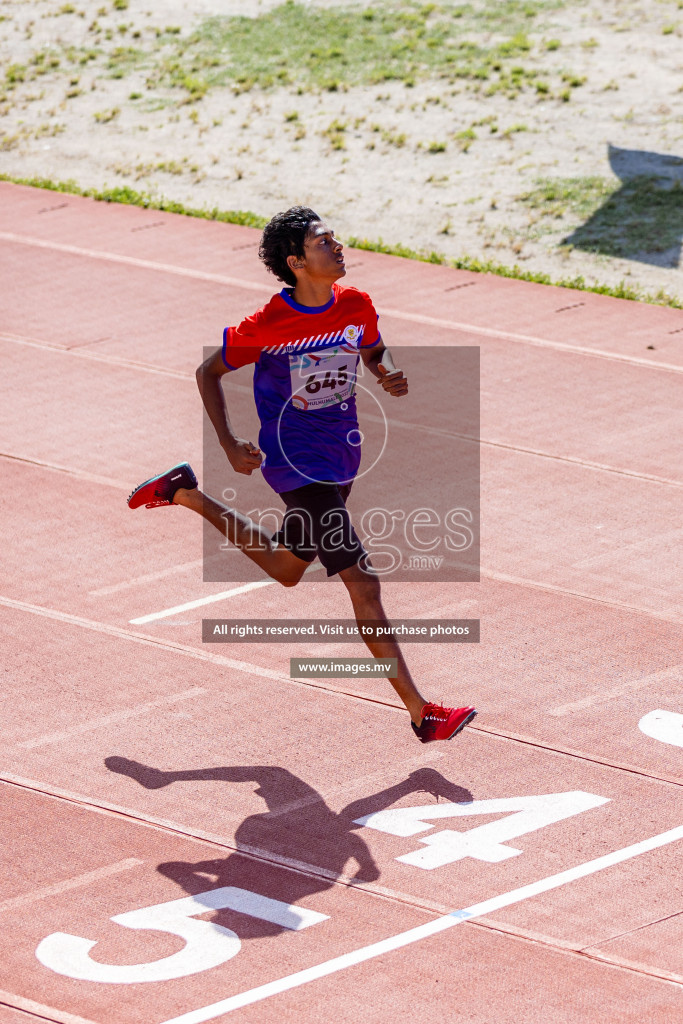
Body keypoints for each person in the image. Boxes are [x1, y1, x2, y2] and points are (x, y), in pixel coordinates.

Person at [128, 206, 476, 743]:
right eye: (323, 241)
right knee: (363, 581)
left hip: (341, 459)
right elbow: (208, 371)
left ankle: (184, 494)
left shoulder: (357, 303)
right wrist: (227, 441)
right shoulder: (268, 324)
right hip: (293, 462)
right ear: (296, 262)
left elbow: (371, 345)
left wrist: (384, 374)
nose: (337, 246)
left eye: (334, 237)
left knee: (288, 568)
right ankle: (421, 712)